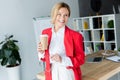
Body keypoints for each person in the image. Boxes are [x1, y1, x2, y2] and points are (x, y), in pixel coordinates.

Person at [38, 2, 85, 80]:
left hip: (67, 74)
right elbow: (45, 58)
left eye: (65, 15)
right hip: (51, 73)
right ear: (54, 14)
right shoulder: (45, 33)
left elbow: (81, 59)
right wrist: (41, 52)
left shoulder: (76, 36)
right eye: (59, 14)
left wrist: (61, 59)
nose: (62, 18)